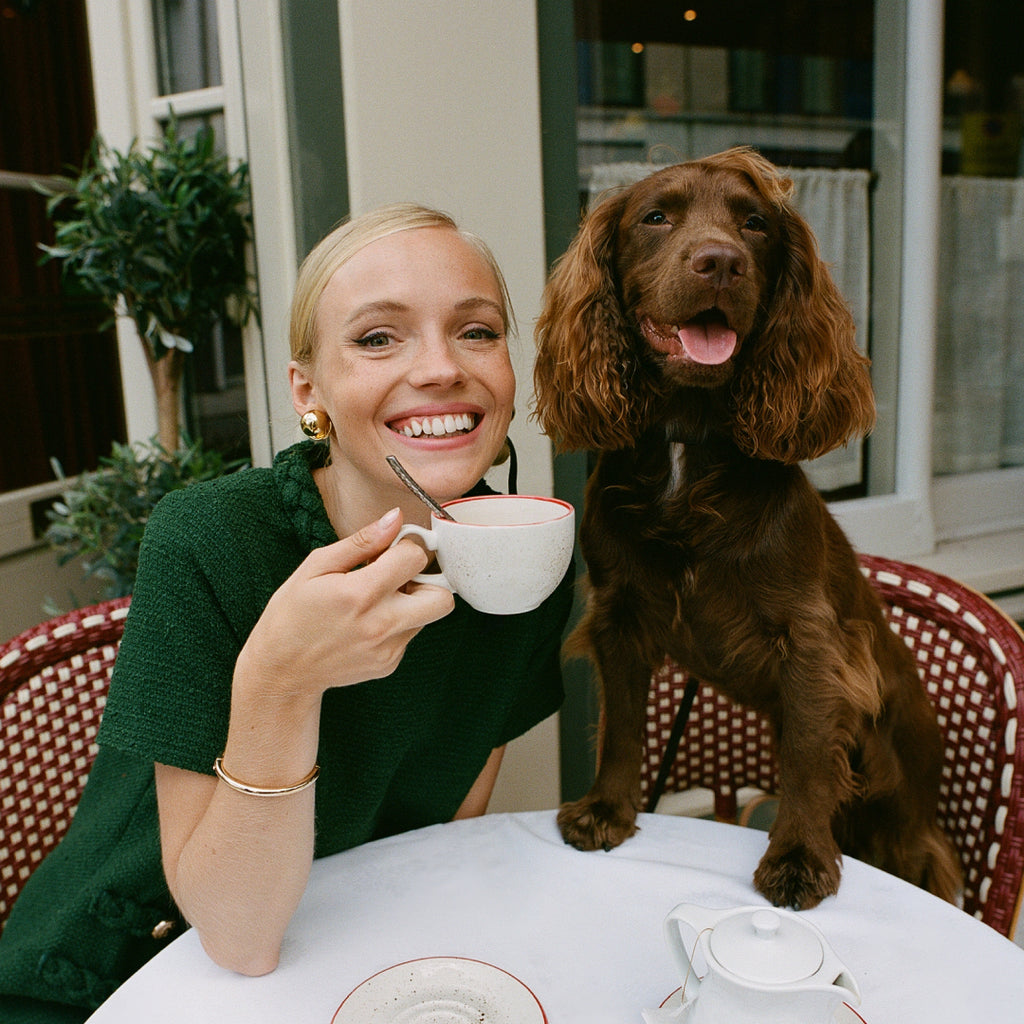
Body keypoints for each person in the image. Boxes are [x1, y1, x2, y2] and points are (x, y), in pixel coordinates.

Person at [0, 204, 574, 1022]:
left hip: (341, 953)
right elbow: (236, 938)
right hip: (115, 973)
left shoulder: (530, 556)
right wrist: (281, 680)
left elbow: (444, 826)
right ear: (311, 390)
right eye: (379, 338)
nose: (444, 367)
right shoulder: (210, 540)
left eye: (477, 331)